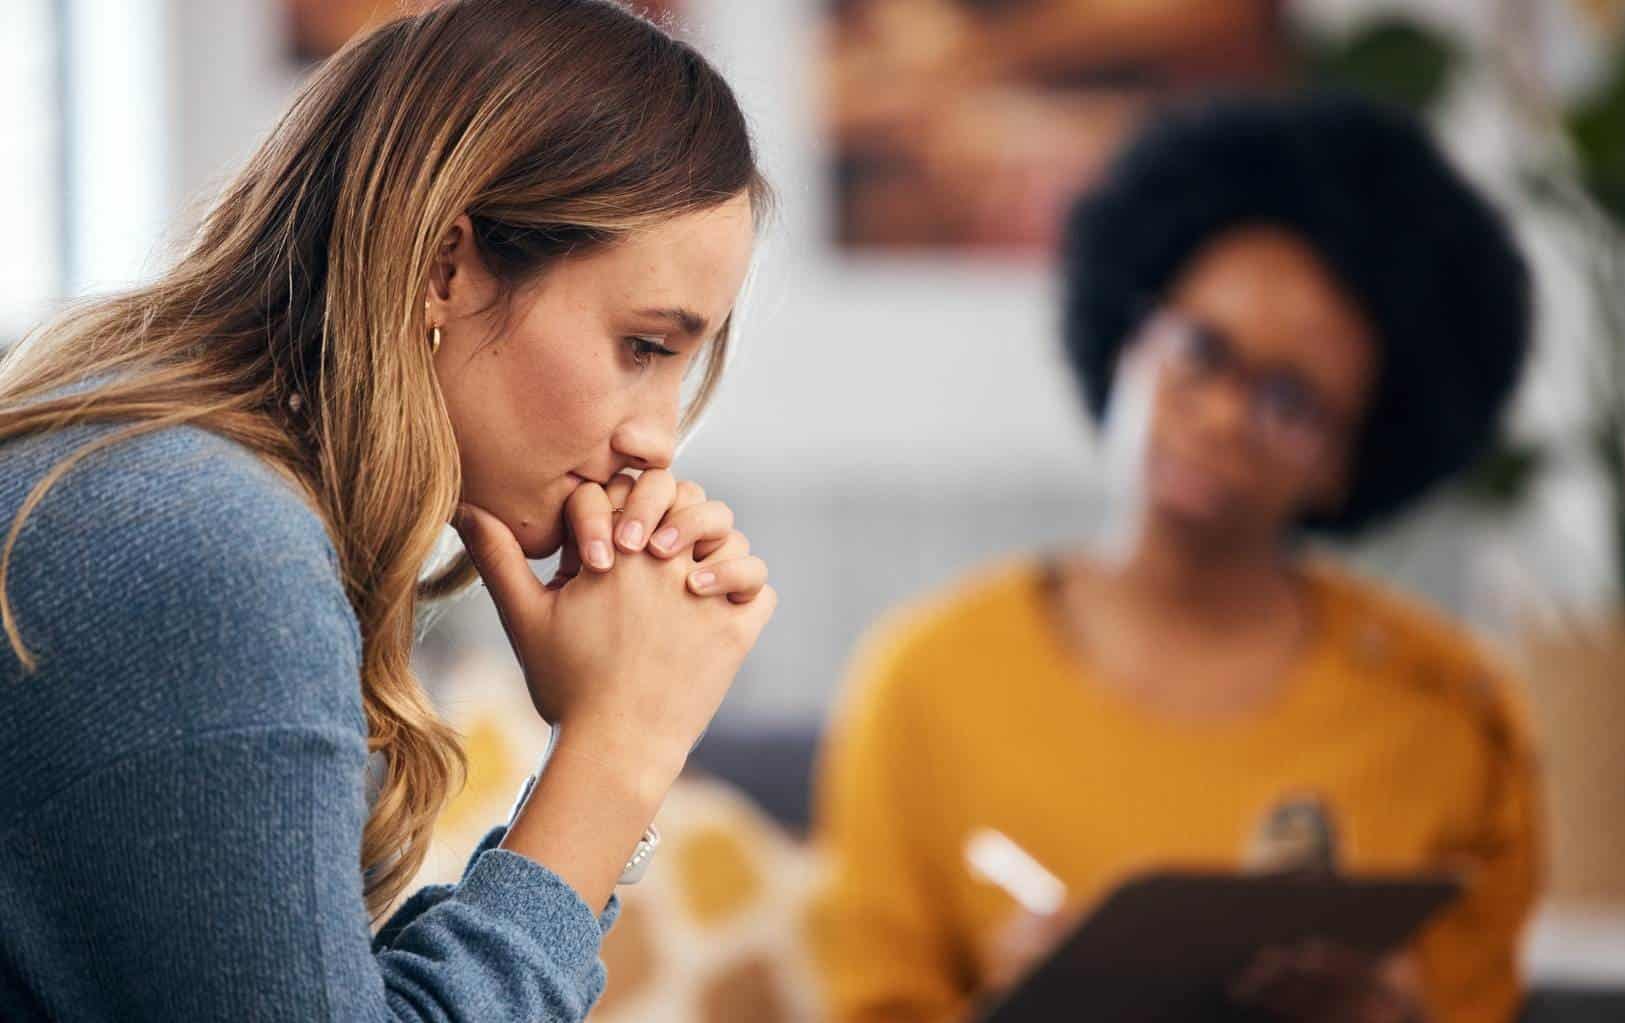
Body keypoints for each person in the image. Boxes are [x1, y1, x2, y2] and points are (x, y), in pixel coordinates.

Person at [0, 1, 776, 1019]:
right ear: (446, 266)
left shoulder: (168, 488)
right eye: (642, 347)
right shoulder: (206, 544)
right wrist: (617, 750)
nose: (657, 440)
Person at [810, 94, 1542, 1023]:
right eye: (1201, 350)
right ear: (1128, 332)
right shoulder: (922, 678)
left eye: (1291, 399)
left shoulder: (1456, 709)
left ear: (1351, 457)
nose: (1224, 416)